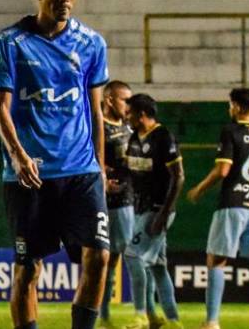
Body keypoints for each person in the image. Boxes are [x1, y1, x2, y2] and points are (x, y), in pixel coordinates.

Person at [0, 0, 110, 329]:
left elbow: (95, 111)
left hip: (81, 171)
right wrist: (19, 156)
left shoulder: (91, 43)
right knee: (28, 270)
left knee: (99, 257)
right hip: (30, 175)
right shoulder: (12, 43)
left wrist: (100, 168)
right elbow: (0, 109)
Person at [187, 88, 249, 329]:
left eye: (230, 104)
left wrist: (200, 188)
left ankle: (211, 322)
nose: (229, 109)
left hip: (233, 203)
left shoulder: (231, 131)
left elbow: (223, 170)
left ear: (239, 106)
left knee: (216, 260)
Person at [99, 81, 161, 328]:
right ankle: (115, 315)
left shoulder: (129, 127)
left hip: (132, 200)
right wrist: (102, 175)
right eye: (125, 100)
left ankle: (142, 314)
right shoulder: (99, 126)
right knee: (112, 259)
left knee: (129, 257)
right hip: (111, 203)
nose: (129, 105)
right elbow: (92, 156)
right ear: (110, 100)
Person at [121, 94, 183, 329]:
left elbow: (179, 177)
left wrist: (164, 214)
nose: (127, 117)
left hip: (157, 210)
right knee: (158, 267)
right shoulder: (135, 138)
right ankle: (172, 320)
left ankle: (141, 316)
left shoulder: (163, 137)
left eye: (130, 113)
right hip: (139, 208)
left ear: (142, 114)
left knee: (132, 255)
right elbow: (132, 171)